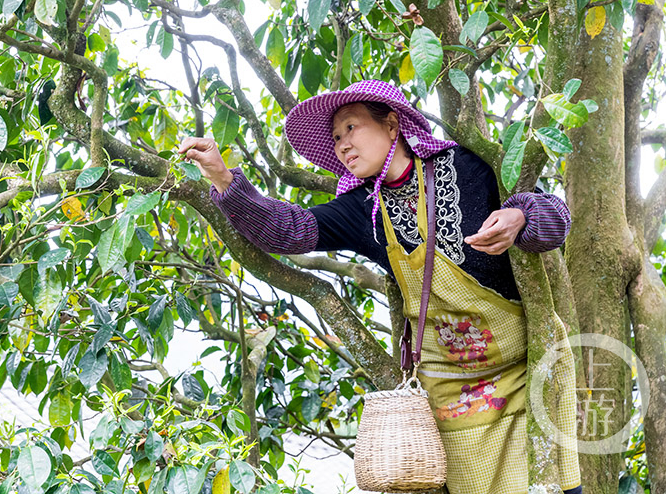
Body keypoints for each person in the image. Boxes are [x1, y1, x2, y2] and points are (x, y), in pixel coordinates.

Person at [178, 80, 582, 494]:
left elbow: (557, 218)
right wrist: (223, 178)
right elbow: (289, 230)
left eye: (350, 128)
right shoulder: (363, 211)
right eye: (335, 138)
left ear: (392, 124)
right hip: (453, 396)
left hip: (531, 370)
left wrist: (520, 217)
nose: (342, 145)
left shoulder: (470, 165)